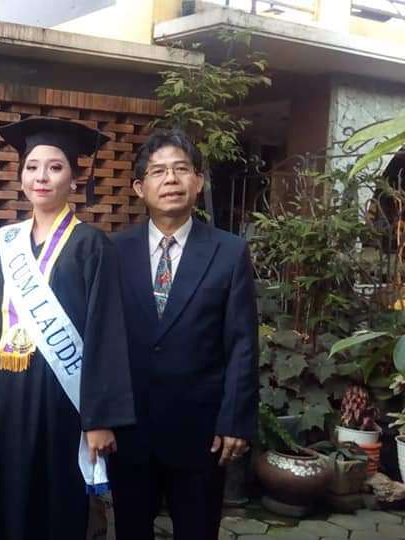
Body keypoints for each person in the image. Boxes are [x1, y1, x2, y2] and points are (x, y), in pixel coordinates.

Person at [0, 117, 135, 540]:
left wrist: (100, 418)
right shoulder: (2, 243)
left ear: (75, 179)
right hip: (7, 393)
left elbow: (106, 334)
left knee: (53, 500)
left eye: (55, 167)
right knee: (2, 495)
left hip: (62, 398)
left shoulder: (92, 245)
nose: (41, 176)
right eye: (32, 166)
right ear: (21, 175)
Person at [108, 129, 259, 539]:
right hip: (131, 431)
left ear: (198, 181)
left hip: (201, 434)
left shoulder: (228, 252)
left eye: (181, 169)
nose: (170, 179)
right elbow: (103, 342)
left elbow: (243, 343)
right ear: (140, 187)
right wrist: (100, 418)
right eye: (158, 171)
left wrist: (235, 421)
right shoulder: (113, 252)